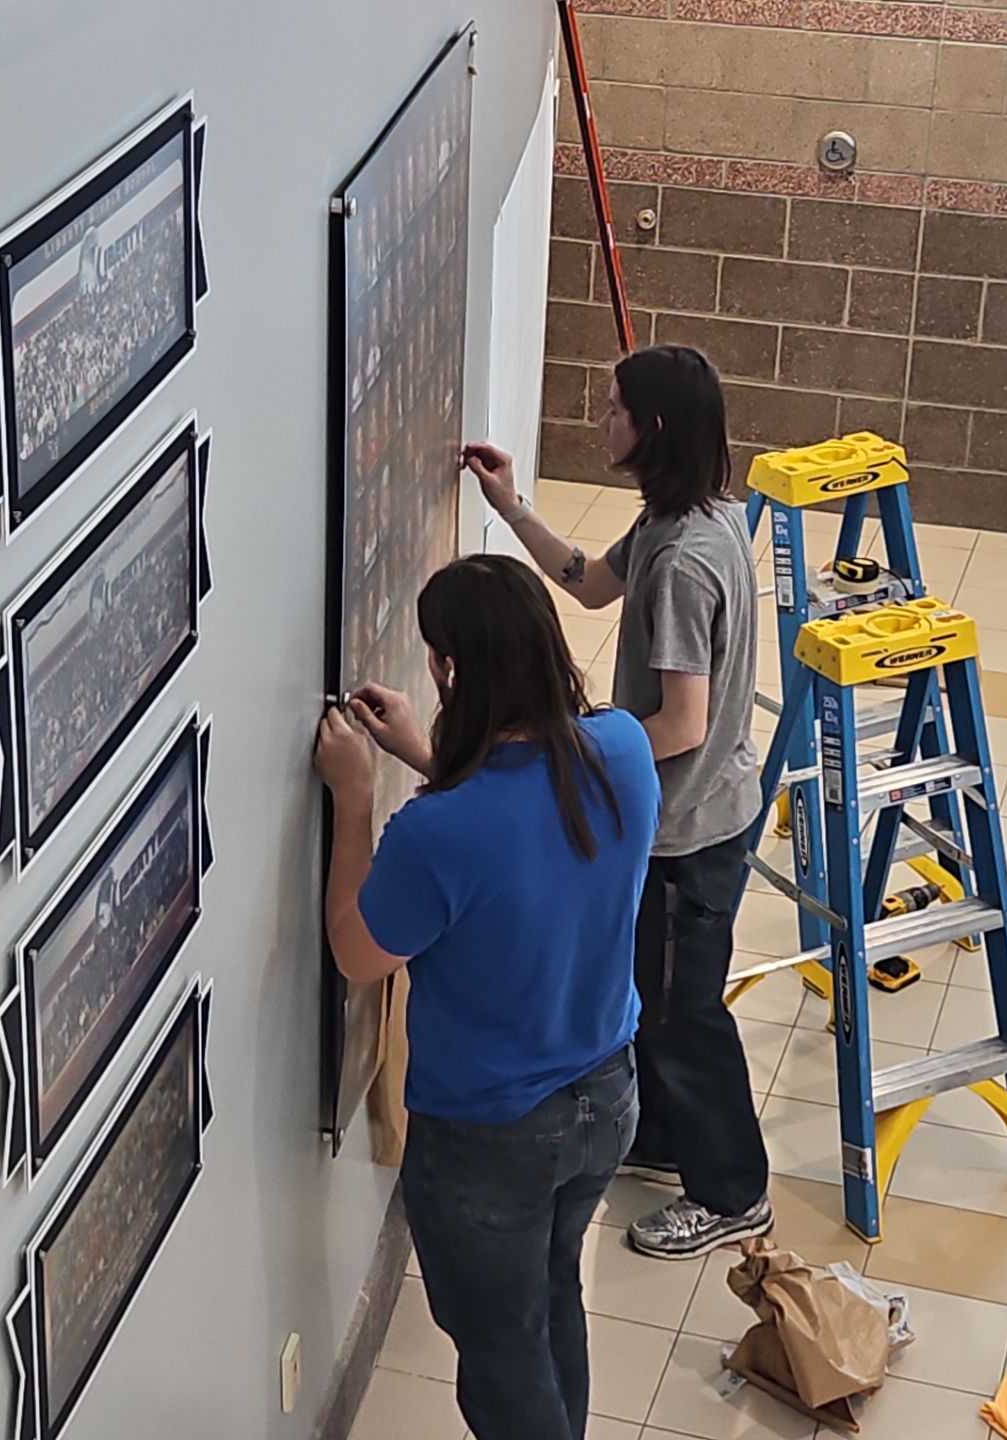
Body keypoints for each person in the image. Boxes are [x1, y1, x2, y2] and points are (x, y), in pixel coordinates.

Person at [312, 554, 660, 1440]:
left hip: (490, 1137)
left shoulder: (435, 833)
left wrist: (357, 799)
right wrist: (425, 755)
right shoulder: (621, 748)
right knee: (549, 1297)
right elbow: (532, 840)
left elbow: (358, 952)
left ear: (450, 667)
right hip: (607, 1100)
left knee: (500, 1354)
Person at [467, 343, 772, 1261]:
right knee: (657, 993)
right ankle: (672, 1142)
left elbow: (680, 722)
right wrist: (511, 506)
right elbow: (592, 586)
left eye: (612, 411)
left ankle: (732, 1196)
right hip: (695, 813)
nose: (601, 421)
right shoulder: (685, 518)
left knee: (685, 1013)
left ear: (655, 430)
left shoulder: (684, 562)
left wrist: (576, 745)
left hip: (690, 830)